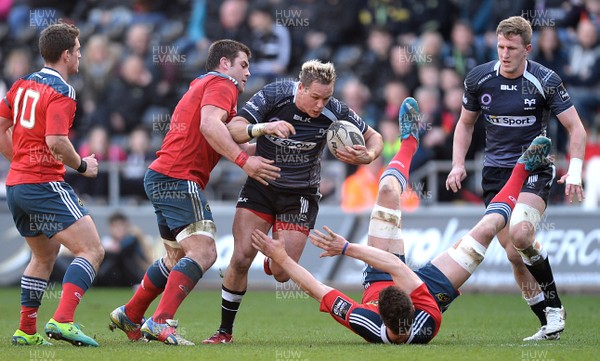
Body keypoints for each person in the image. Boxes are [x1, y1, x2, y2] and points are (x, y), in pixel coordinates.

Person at [252, 98, 554, 344]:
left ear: (378, 310)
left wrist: (281, 258)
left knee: (385, 190)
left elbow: (316, 287)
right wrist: (345, 248)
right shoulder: (427, 318)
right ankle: (522, 168)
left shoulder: (364, 320)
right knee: (488, 229)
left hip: (382, 279)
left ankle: (407, 143)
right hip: (430, 293)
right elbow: (396, 267)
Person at [108, 39, 288, 346]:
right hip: (179, 176)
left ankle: (131, 313)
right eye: (243, 65)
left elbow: (227, 134)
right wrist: (245, 163)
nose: (247, 72)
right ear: (224, 64)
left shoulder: (205, 85)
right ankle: (161, 322)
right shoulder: (223, 83)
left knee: (175, 257)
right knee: (204, 252)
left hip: (161, 174)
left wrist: (265, 135)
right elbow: (208, 126)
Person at [203, 60, 383, 344]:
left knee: (281, 273)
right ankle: (224, 332)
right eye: (314, 97)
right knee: (239, 259)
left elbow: (375, 137)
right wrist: (263, 128)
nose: (319, 105)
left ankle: (272, 261)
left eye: (326, 98)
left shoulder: (335, 110)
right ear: (300, 87)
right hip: (261, 184)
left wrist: (368, 156)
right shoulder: (275, 96)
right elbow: (234, 128)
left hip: (300, 195)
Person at [445, 16, 587, 341]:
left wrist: (575, 171)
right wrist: (457, 164)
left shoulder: (545, 80)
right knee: (513, 255)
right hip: (495, 175)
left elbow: (576, 128)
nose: (504, 54)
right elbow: (465, 124)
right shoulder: (479, 79)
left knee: (522, 236)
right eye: (500, 47)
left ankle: (553, 308)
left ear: (527, 48)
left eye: (511, 48)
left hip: (534, 169)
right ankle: (548, 321)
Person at [0, 23, 104, 347]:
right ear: (65, 55)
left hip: (16, 186)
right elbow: (56, 141)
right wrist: (83, 165)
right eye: (77, 49)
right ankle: (63, 320)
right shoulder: (63, 90)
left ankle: (26, 330)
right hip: (44, 183)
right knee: (91, 250)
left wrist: (18, 159)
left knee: (44, 257)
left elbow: (1, 126)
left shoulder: (22, 84)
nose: (80, 55)